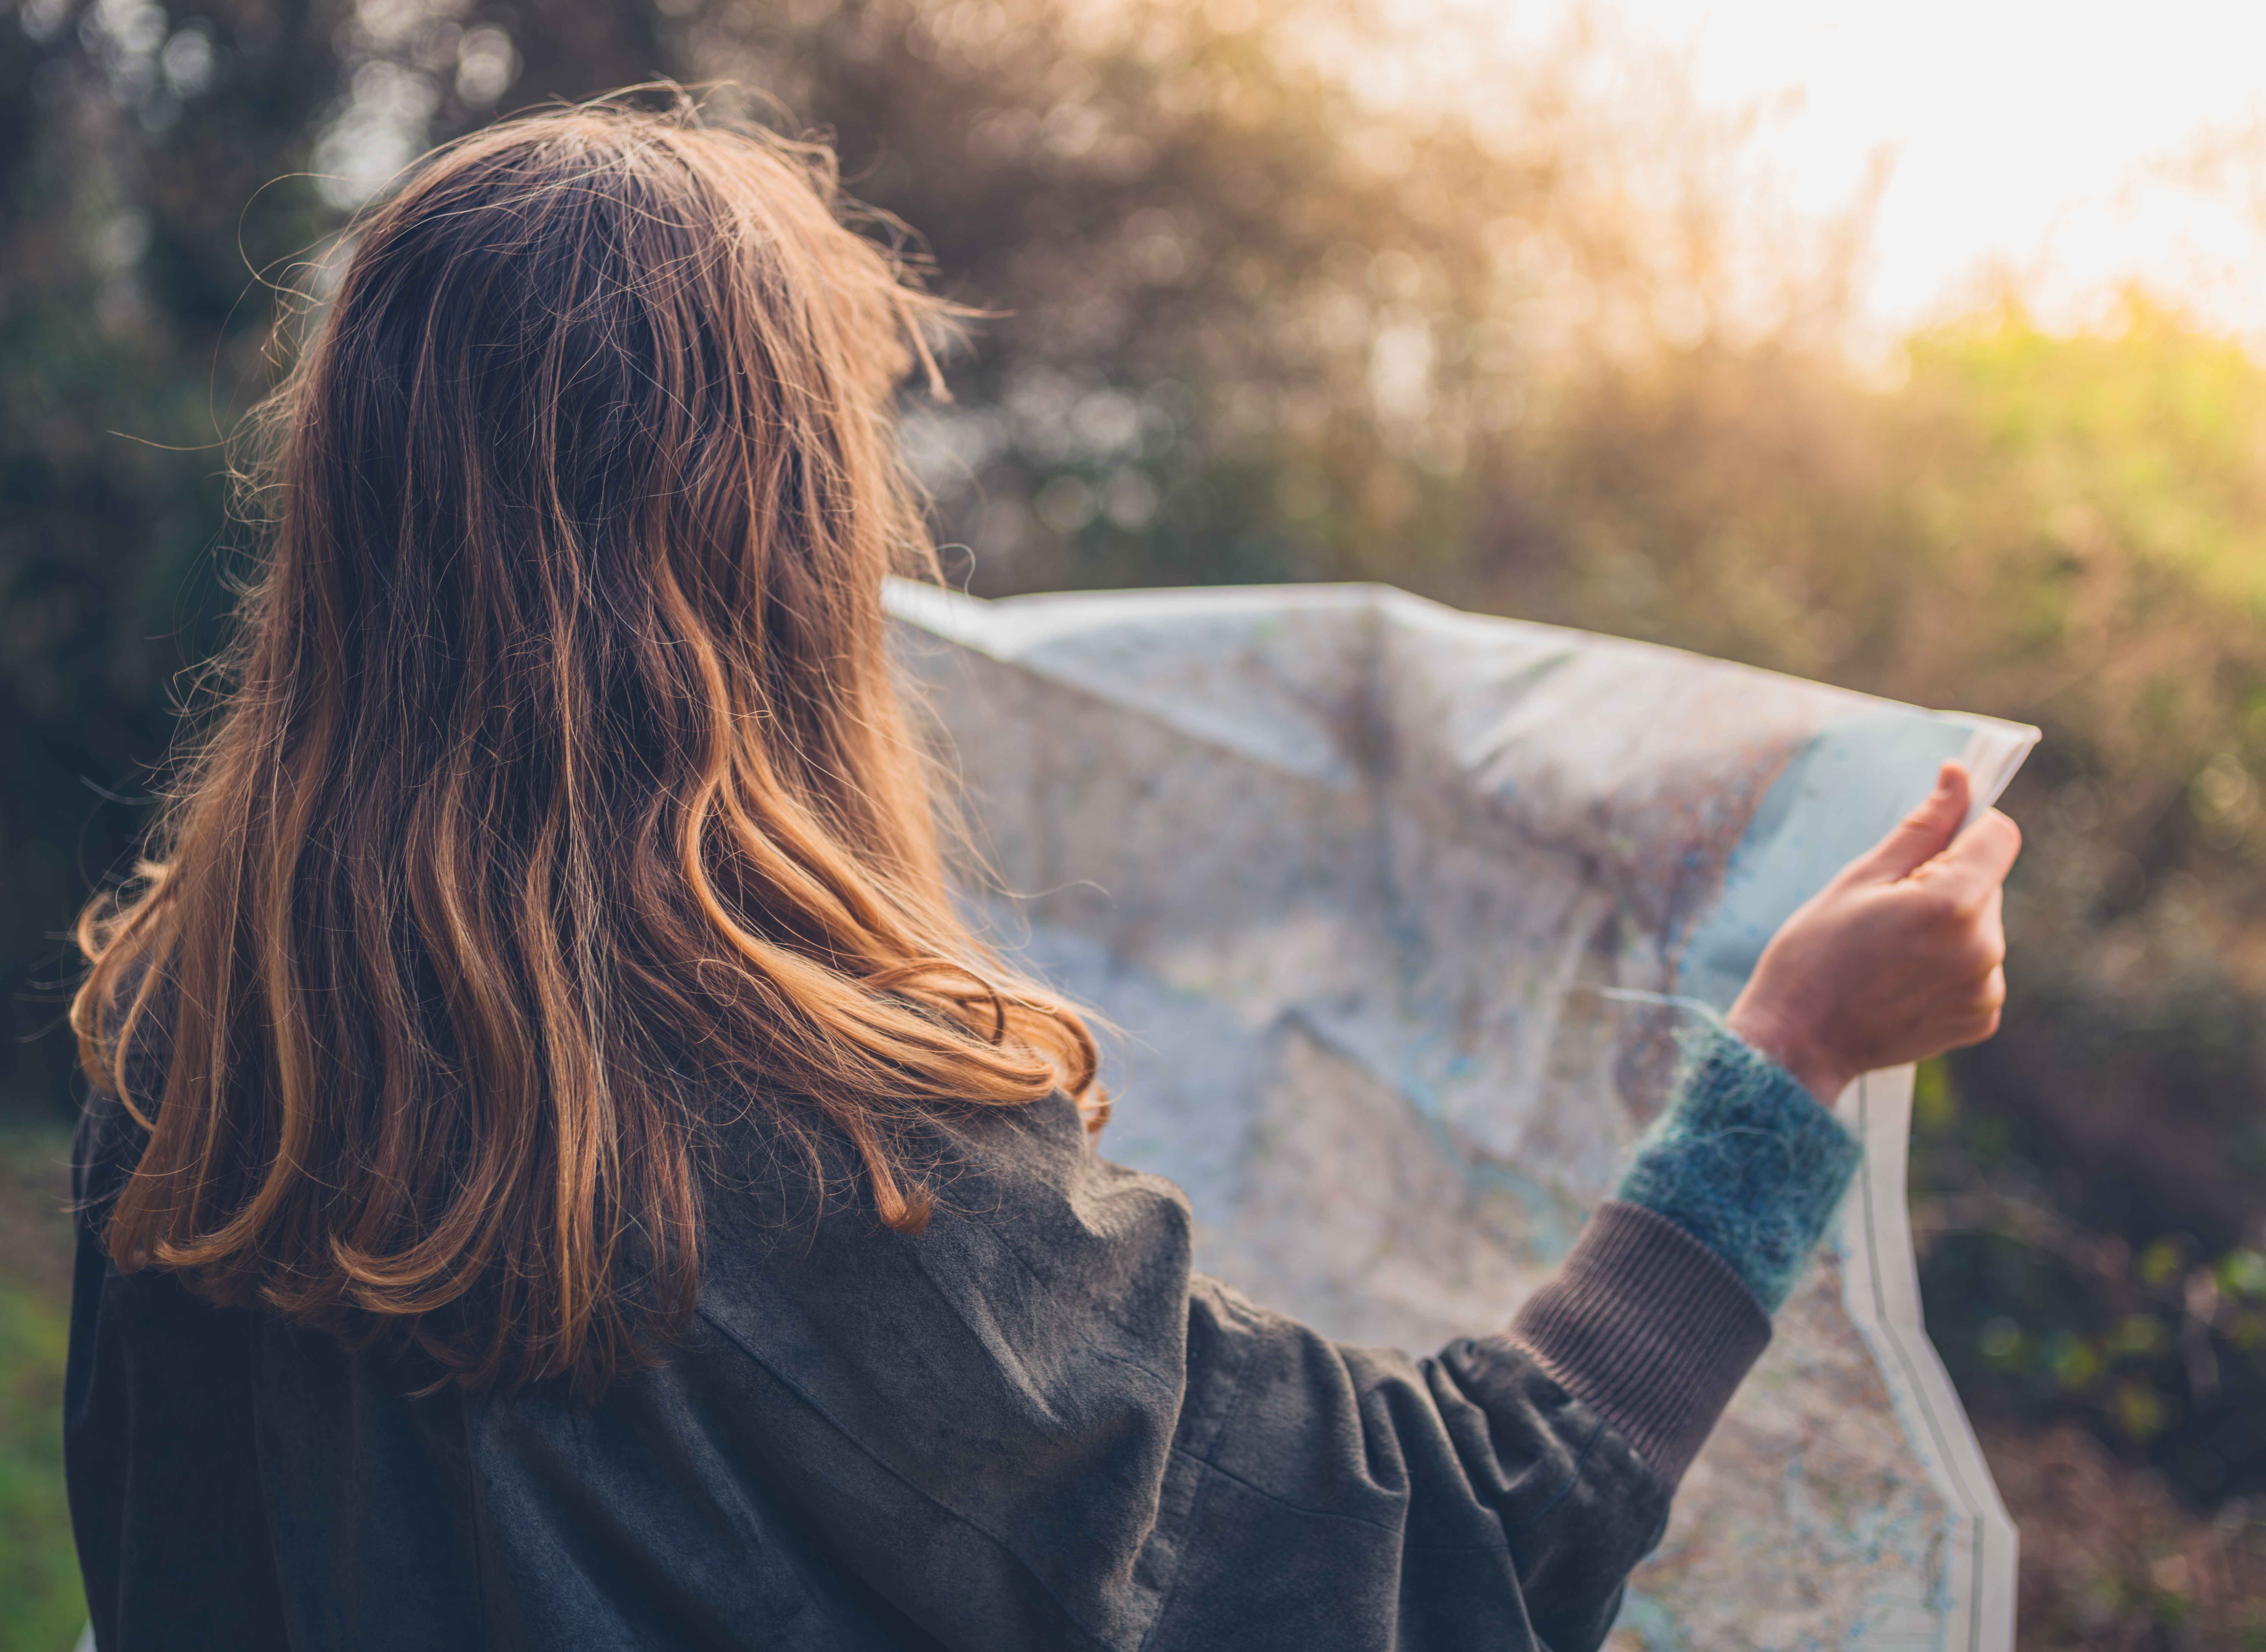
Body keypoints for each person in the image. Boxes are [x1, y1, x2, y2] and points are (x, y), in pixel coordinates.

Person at [63, 96, 2020, 1652]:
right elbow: (1438, 1558)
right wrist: (1788, 1067)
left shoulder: (191, 1038)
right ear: (784, 556)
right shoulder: (833, 1144)